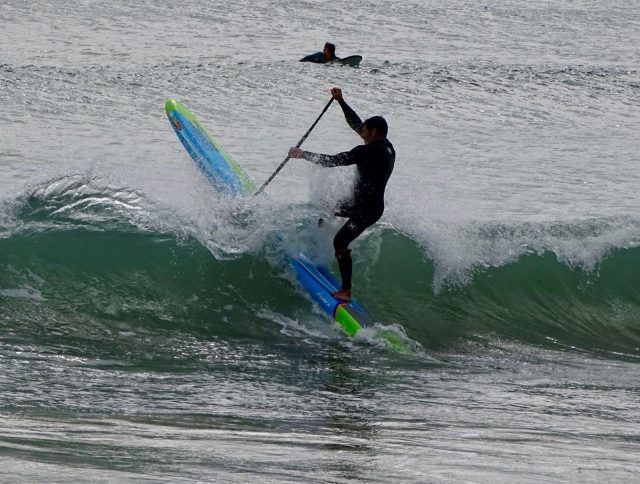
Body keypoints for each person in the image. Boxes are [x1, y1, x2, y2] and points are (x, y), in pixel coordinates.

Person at [288, 88, 395, 302]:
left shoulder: (367, 152)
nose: (361, 133)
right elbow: (357, 124)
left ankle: (346, 290)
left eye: (365, 131)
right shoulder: (387, 147)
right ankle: (320, 243)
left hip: (365, 210)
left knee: (340, 241)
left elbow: (333, 161)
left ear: (373, 132)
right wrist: (341, 101)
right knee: (330, 207)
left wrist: (302, 154)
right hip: (365, 204)